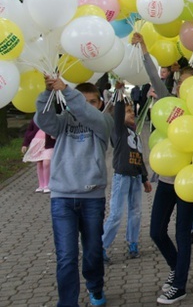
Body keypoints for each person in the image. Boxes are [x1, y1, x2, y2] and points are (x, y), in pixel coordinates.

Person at [35, 78, 113, 307]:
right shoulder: (63, 122)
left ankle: (95, 286)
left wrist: (68, 91)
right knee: (67, 257)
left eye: (92, 102)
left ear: (100, 104)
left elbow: (87, 114)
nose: (87, 105)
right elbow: (42, 118)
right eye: (83, 101)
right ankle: (67, 303)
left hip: (92, 198)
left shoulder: (103, 122)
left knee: (92, 253)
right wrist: (47, 93)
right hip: (62, 198)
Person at [134, 32, 193, 305]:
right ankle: (177, 269)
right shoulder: (169, 102)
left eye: (189, 82)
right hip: (166, 178)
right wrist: (145, 49)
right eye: (181, 81)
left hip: (191, 180)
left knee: (183, 232)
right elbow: (152, 76)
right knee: (156, 232)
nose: (184, 86)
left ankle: (180, 284)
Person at [101, 82, 152, 264]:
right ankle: (102, 247)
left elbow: (138, 157)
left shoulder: (135, 134)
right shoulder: (119, 132)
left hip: (135, 178)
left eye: (132, 112)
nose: (133, 114)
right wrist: (120, 93)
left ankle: (133, 243)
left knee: (136, 212)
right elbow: (119, 114)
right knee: (116, 214)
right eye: (129, 112)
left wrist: (145, 178)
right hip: (121, 177)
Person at [21, 118, 56, 193]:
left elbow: (56, 129)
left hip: (49, 144)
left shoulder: (52, 118)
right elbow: (29, 131)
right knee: (39, 163)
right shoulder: (35, 119)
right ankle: (41, 185)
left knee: (46, 163)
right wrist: (25, 144)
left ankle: (47, 185)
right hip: (37, 143)